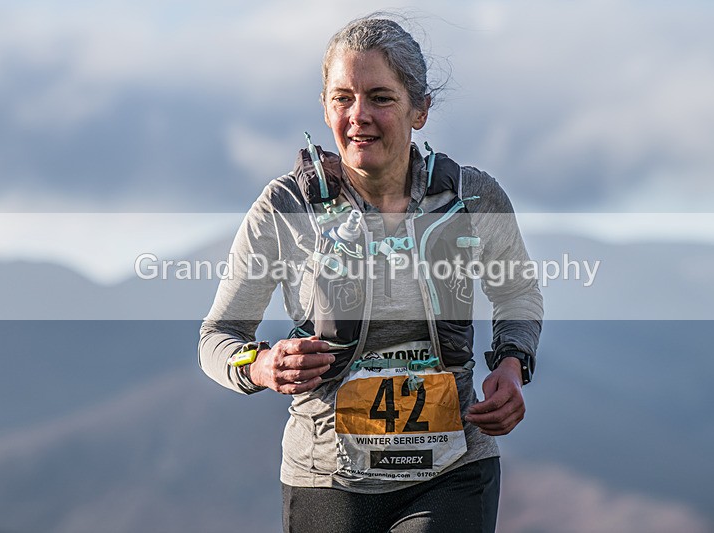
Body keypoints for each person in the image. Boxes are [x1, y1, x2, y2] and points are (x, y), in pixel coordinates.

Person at [199, 14, 543, 533]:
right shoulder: (283, 207)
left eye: (380, 97)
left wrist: (514, 363)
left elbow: (517, 295)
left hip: (453, 469)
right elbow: (218, 337)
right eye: (342, 98)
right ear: (325, 106)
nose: (358, 115)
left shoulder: (472, 198)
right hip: (325, 476)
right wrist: (263, 365)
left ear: (420, 109)